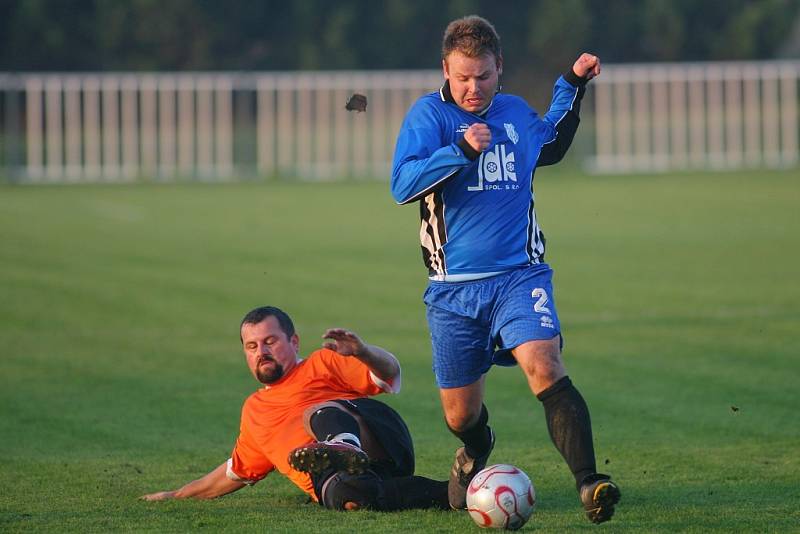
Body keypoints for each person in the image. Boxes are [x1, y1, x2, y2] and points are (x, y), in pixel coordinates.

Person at [390, 15, 620, 524]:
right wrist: (461, 150)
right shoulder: (428, 117)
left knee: (545, 363)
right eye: (463, 77)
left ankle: (591, 483)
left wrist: (573, 83)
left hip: (521, 275)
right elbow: (403, 185)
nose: (473, 88)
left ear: (501, 70)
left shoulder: (515, 114)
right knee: (460, 414)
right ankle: (478, 443)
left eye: (484, 76)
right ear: (446, 70)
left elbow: (553, 144)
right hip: (453, 290)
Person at [140, 306, 449, 511]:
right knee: (350, 498)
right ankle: (453, 494)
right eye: (252, 346)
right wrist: (177, 495)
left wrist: (364, 352)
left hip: (380, 441)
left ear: (294, 341)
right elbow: (234, 473)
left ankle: (342, 444)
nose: (262, 352)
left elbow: (388, 373)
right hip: (342, 478)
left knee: (316, 412)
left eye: (270, 341)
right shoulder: (255, 411)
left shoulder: (322, 362)